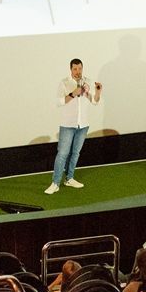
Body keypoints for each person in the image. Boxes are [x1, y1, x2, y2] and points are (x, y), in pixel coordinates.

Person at [45, 58, 102, 195]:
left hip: (83, 125)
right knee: (62, 154)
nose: (78, 71)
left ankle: (69, 178)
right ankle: (55, 183)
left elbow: (94, 101)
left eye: (80, 68)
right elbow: (58, 102)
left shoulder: (87, 82)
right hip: (68, 124)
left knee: (75, 153)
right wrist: (73, 94)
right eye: (75, 69)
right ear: (71, 69)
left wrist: (98, 91)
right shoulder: (64, 83)